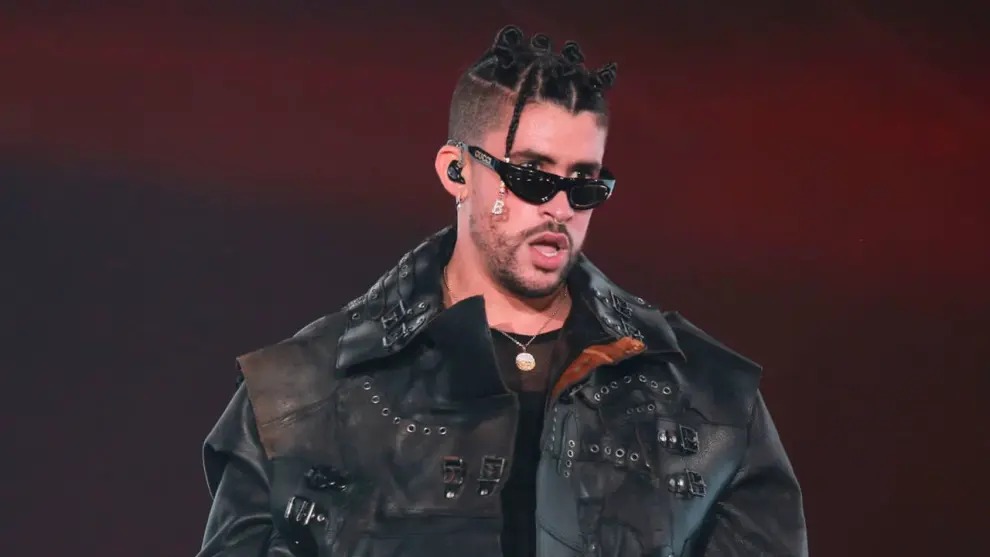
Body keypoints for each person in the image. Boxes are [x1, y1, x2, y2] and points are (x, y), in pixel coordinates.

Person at [195, 24, 808, 557]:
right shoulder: (300, 393)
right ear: (456, 170)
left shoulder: (709, 395)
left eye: (585, 185)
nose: (561, 209)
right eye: (532, 178)